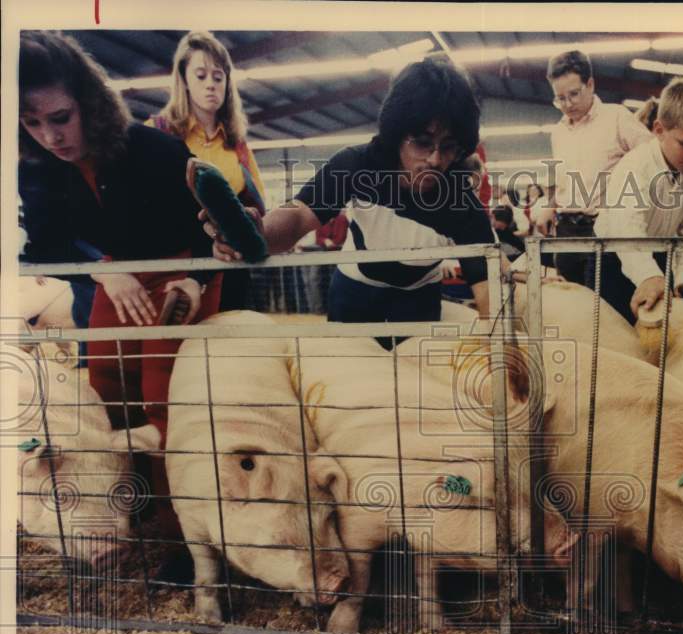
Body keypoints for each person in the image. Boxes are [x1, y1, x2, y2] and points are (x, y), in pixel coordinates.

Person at [18, 31, 222, 558]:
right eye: (31, 122)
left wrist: (193, 282)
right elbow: (44, 246)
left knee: (164, 397)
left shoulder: (154, 149)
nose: (49, 136)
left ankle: (187, 537)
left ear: (88, 104)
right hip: (115, 276)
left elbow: (210, 228)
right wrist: (103, 270)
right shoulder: (36, 168)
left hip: (182, 271)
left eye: (59, 117)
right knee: (107, 385)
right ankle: (134, 506)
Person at [205, 57, 498, 349]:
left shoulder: (460, 200)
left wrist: (497, 352)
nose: (435, 159)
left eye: (448, 147)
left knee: (414, 386)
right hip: (354, 292)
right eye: (422, 142)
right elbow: (299, 217)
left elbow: (486, 285)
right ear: (397, 134)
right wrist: (253, 233)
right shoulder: (357, 165)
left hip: (418, 298)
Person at [149, 31, 266, 313]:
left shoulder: (237, 144)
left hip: (230, 264)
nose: (211, 85)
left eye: (218, 76)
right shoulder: (156, 133)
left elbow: (259, 204)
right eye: (200, 75)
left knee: (227, 344)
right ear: (184, 80)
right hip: (176, 267)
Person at [595, 75, 683, 321]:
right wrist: (647, 275)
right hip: (613, 258)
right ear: (659, 130)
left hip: (659, 255)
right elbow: (627, 228)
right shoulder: (635, 166)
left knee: (662, 337)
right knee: (615, 339)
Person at [533, 49, 653, 294]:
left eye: (574, 94)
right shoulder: (559, 131)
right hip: (566, 232)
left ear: (590, 84)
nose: (567, 104)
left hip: (603, 228)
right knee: (570, 302)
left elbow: (651, 156)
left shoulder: (617, 117)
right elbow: (560, 178)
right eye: (560, 98)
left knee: (603, 309)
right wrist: (549, 206)